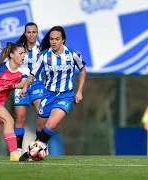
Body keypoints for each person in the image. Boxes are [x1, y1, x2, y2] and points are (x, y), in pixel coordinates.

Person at [19, 26, 87, 161]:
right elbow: (32, 75)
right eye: (51, 39)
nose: (54, 41)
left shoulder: (73, 54)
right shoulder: (44, 56)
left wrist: (79, 91)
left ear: (63, 40)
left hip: (65, 95)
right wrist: (25, 87)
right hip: (48, 95)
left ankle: (31, 152)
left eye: (57, 39)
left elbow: (83, 70)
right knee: (41, 127)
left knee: (51, 125)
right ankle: (40, 148)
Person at [13, 22, 44, 155]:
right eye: (29, 32)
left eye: (34, 32)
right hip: (20, 84)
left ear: (37, 33)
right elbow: (11, 63)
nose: (31, 34)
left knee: (42, 114)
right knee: (20, 117)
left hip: (37, 84)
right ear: (25, 33)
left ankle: (37, 147)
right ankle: (18, 150)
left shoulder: (42, 49)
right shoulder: (19, 49)